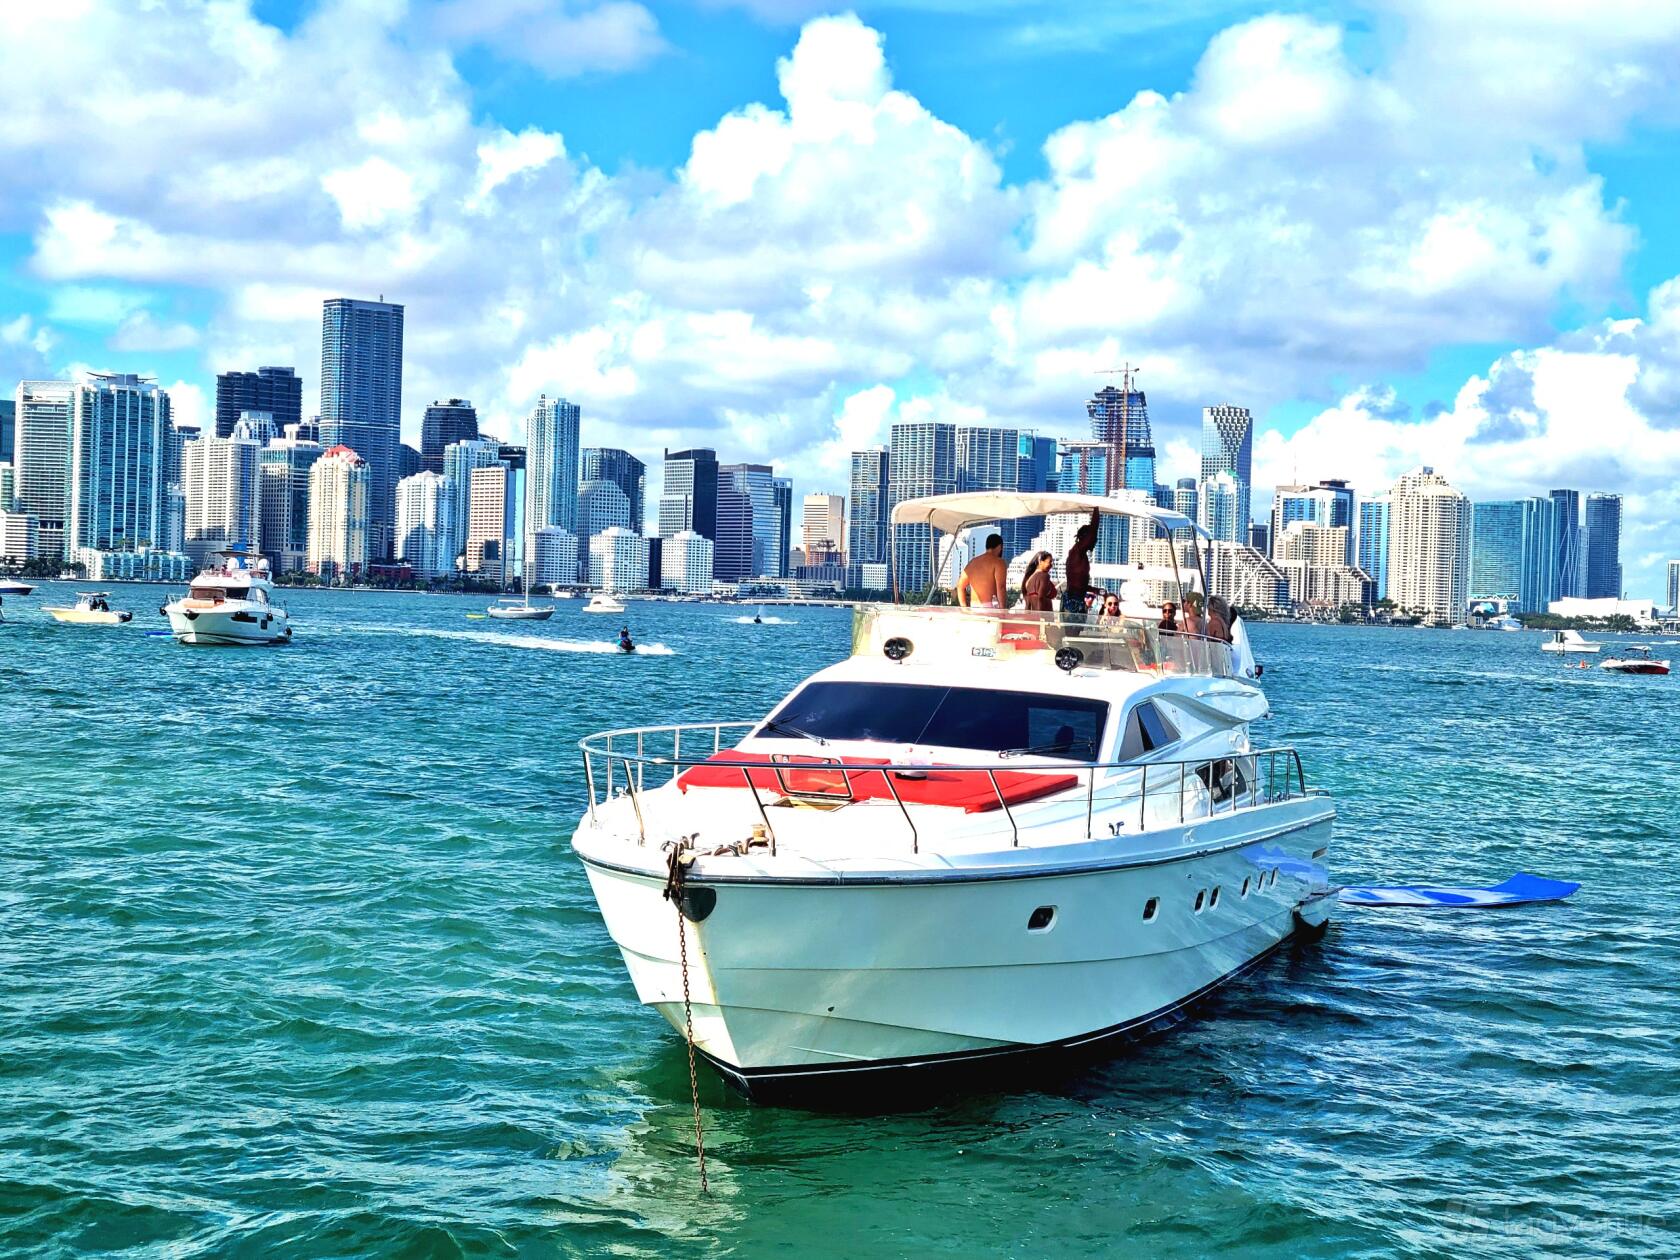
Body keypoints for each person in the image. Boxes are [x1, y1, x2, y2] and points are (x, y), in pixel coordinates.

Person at [955, 532, 1008, 609]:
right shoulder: (999, 562)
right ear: (1000, 546)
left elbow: (960, 586)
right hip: (991, 608)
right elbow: (1001, 587)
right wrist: (1003, 610)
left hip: (974, 607)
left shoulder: (973, 562)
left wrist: (964, 608)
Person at [1062, 509, 1099, 615]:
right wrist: (1096, 509)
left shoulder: (1080, 554)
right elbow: (1093, 531)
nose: (1095, 541)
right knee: (1073, 630)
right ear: (1085, 538)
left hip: (1077, 599)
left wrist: (1095, 590)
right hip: (1073, 601)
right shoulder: (1077, 551)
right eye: (1093, 539)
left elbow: (1078, 582)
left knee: (1076, 630)